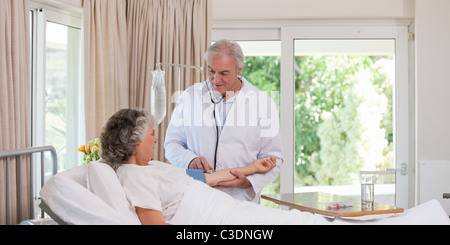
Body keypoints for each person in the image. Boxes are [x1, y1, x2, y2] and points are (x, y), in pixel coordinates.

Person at [100, 108, 450, 225]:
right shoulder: (133, 177)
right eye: (149, 136)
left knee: (304, 220)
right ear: (132, 140)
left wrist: (251, 169)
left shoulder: (152, 167)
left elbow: (204, 177)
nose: (155, 140)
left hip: (215, 203)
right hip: (212, 216)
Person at [164, 39, 284, 202]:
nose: (216, 79)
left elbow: (273, 158)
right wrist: (189, 159)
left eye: (224, 73)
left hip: (240, 201)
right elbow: (172, 144)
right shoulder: (190, 97)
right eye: (211, 71)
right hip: (196, 197)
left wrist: (248, 182)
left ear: (239, 69)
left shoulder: (263, 103)